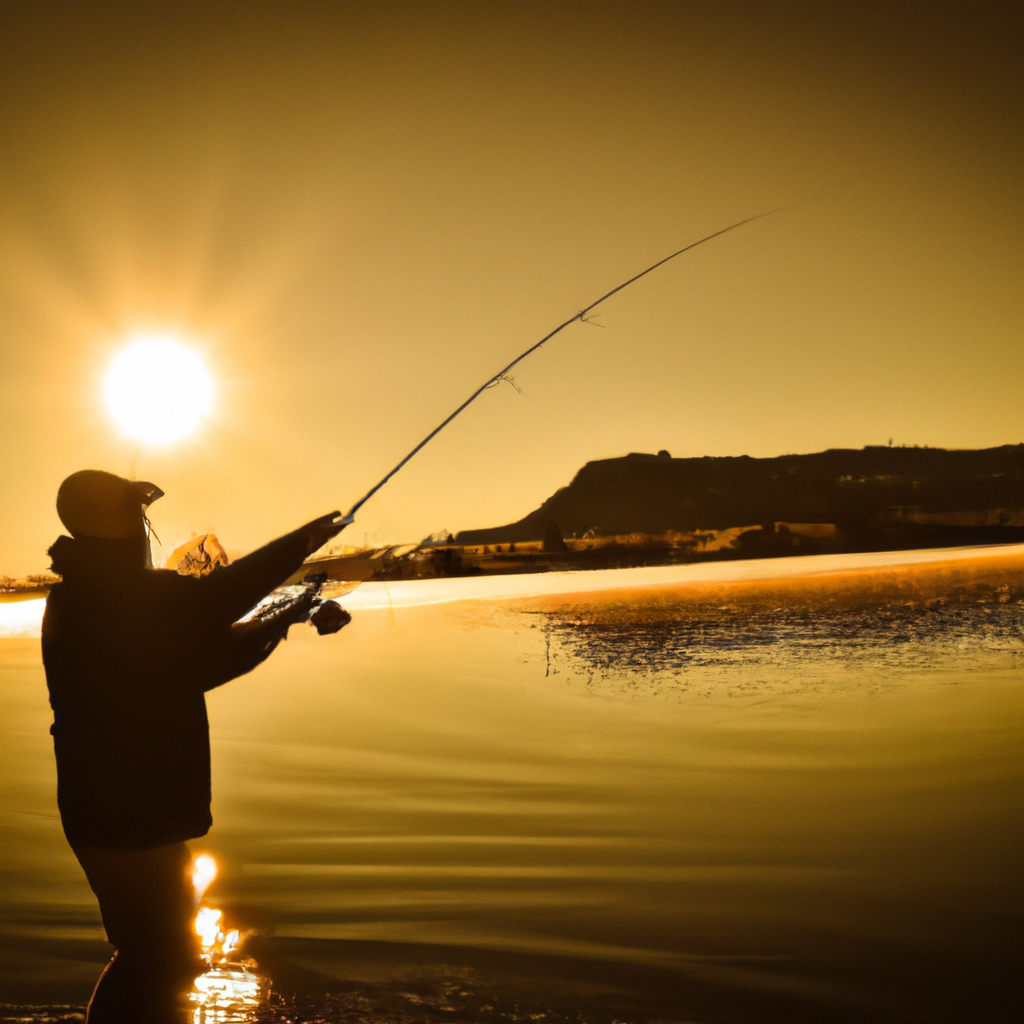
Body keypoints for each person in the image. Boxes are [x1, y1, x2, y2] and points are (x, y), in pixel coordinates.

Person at [41, 469, 348, 1022]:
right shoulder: (107, 599)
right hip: (122, 814)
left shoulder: (99, 598)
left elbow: (210, 659)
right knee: (153, 954)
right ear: (116, 525)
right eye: (136, 516)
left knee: (162, 954)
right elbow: (217, 603)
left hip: (128, 812)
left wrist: (290, 614)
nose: (144, 528)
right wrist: (301, 543)